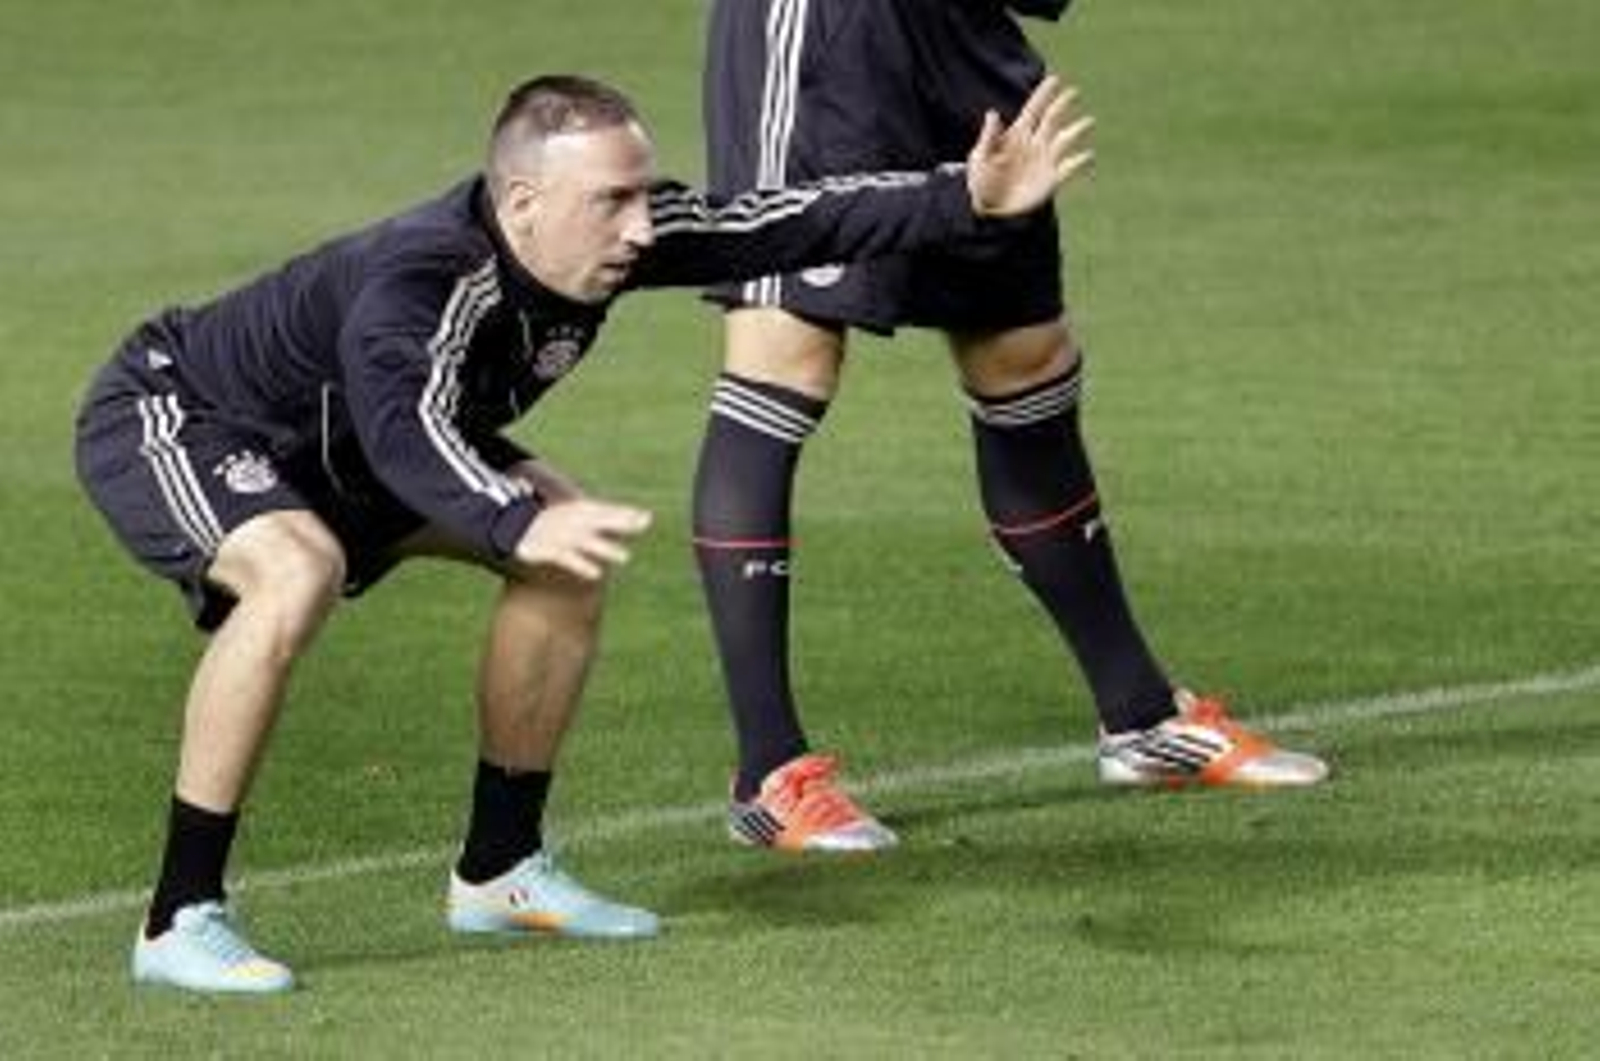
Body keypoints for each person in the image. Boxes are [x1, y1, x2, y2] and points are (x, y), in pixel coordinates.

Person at [74, 72, 1089, 993]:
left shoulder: (613, 239)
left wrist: (963, 196)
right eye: (612, 199)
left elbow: (779, 222)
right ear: (523, 203)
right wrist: (509, 515)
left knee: (566, 555)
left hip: (353, 448)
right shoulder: (424, 279)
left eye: (643, 192)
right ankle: (179, 916)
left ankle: (501, 869)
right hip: (184, 415)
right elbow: (404, 427)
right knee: (296, 568)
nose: (643, 225)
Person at [692, 0, 1330, 854]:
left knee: (1023, 352)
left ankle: (1140, 720)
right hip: (824, 29)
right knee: (785, 349)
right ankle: (768, 774)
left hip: (953, 28)